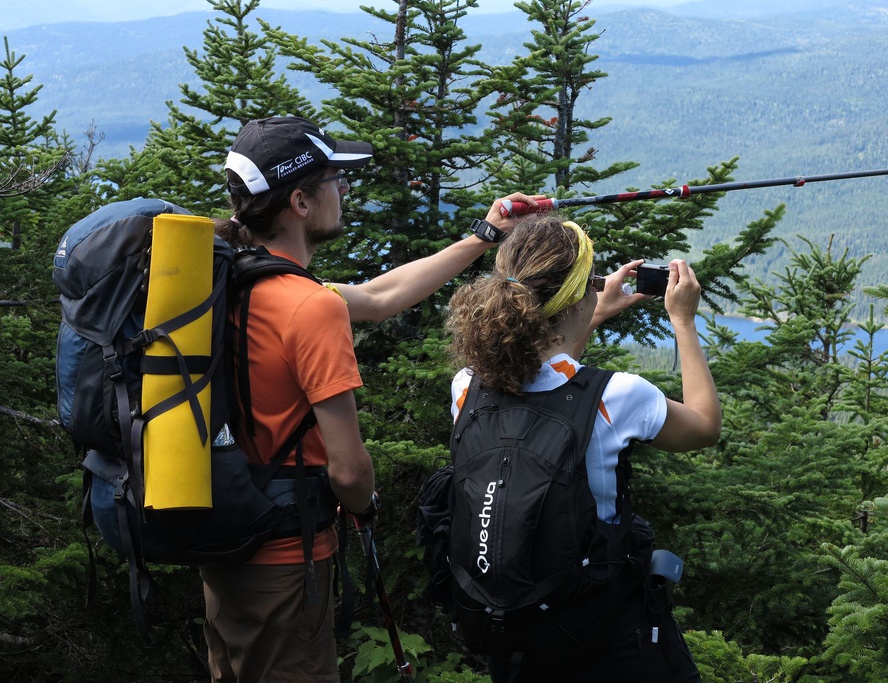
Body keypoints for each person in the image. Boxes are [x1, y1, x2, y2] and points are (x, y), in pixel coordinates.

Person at [205, 115, 539, 682]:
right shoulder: (309, 307)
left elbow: (383, 295)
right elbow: (349, 468)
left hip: (225, 546)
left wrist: (486, 235)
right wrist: (363, 507)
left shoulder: (234, 281)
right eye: (335, 178)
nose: (345, 189)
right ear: (301, 201)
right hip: (286, 560)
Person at [445, 214, 722, 683]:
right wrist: (683, 320)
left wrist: (592, 308)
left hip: (510, 632)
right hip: (599, 634)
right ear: (577, 300)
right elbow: (703, 426)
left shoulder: (467, 386)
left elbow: (538, 363)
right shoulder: (619, 396)